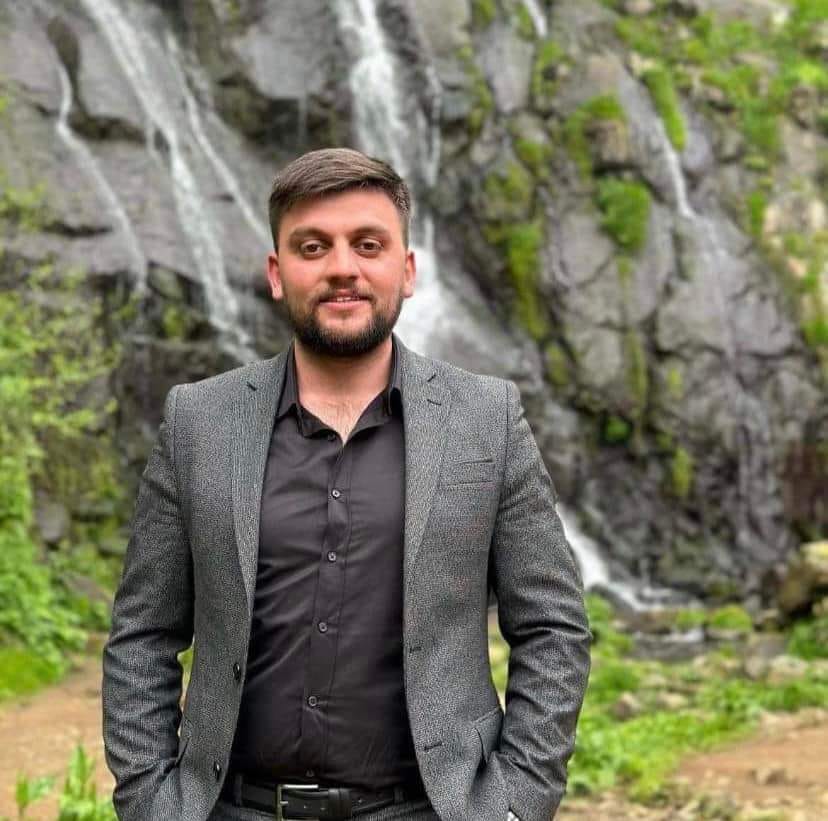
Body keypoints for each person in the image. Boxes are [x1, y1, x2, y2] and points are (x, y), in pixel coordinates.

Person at [102, 147, 591, 821]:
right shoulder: (198, 421)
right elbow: (143, 632)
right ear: (277, 273)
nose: (342, 267)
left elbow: (553, 625)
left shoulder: (487, 419)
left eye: (368, 244)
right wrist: (152, 802)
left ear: (407, 270)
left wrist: (514, 802)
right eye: (313, 246)